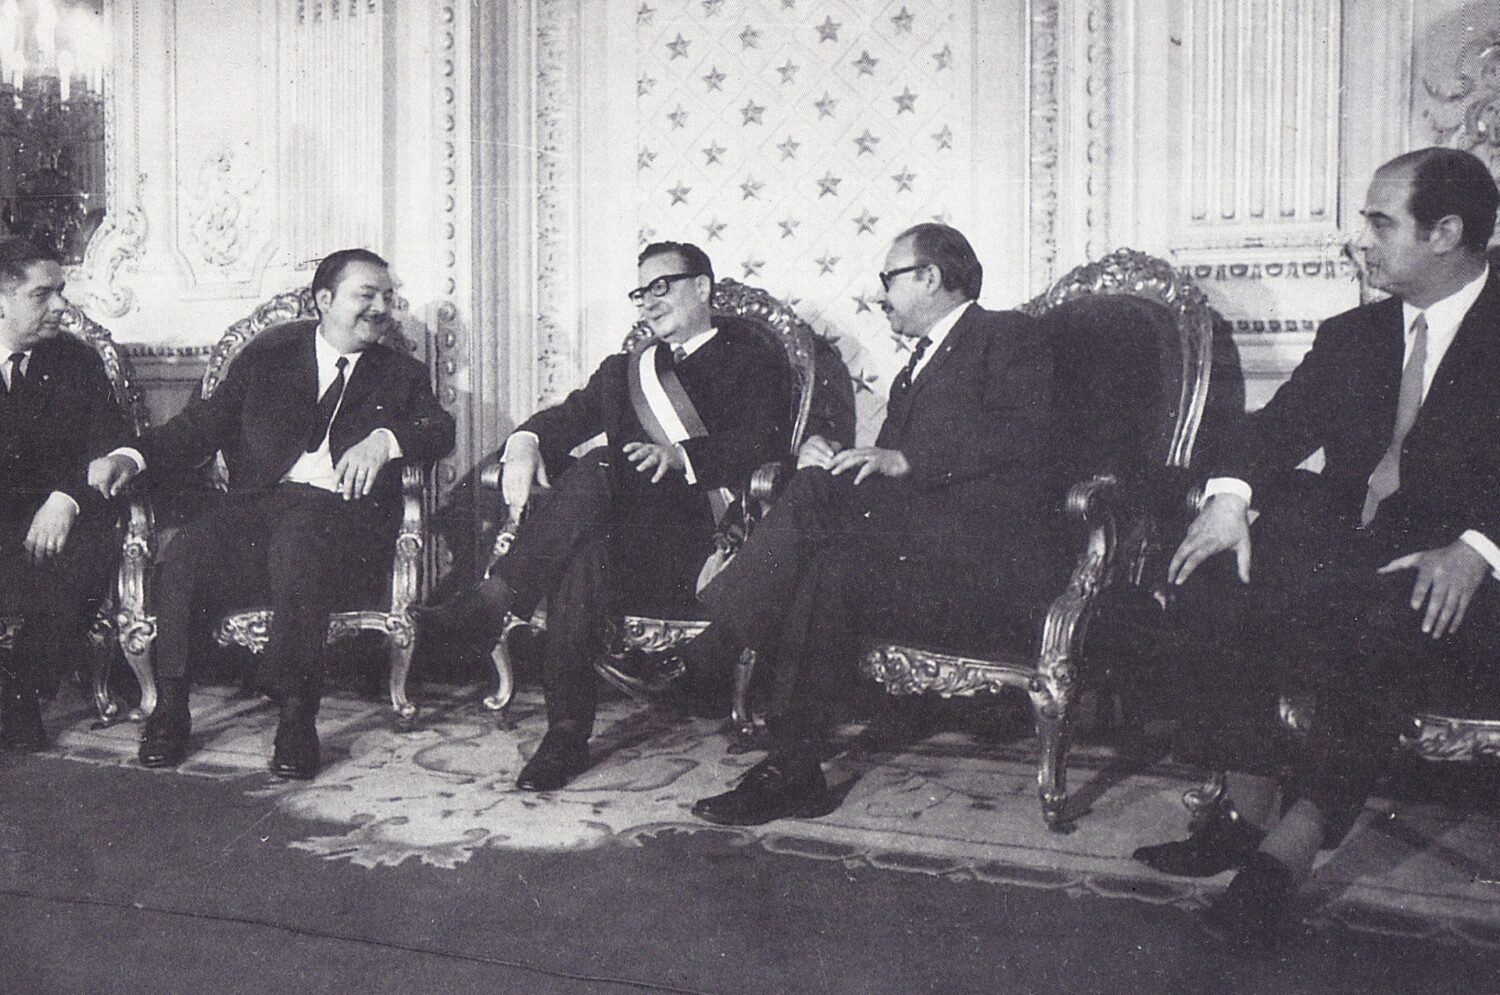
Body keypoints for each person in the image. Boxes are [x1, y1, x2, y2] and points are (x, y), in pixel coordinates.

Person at [1132, 147, 1500, 942]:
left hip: (1464, 566)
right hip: (1357, 549)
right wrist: (1230, 500)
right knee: (1210, 570)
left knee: (1380, 624)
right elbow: (1273, 430)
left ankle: (1287, 854)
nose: (1358, 239)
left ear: (1445, 232)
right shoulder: (1354, 334)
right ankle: (1243, 811)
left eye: (1379, 222)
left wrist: (1478, 547)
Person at [667, 222, 1061, 826]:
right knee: (825, 560)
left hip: (987, 550)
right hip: (916, 545)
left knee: (817, 499)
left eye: (888, 279)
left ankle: (715, 643)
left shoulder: (1006, 335)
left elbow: (1032, 435)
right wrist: (836, 455)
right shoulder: (913, 370)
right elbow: (885, 471)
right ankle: (793, 769)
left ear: (929, 277)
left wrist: (908, 460)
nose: (881, 296)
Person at [416, 241, 793, 791]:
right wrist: (524, 441)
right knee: (584, 540)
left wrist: (682, 457)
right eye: (641, 292)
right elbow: (566, 418)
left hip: (702, 538)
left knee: (597, 467)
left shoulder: (751, 358)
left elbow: (765, 444)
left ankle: (495, 599)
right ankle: (565, 734)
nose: (648, 302)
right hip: (624, 539)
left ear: (702, 287)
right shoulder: (626, 370)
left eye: (661, 287)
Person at [88, 249, 455, 779]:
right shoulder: (270, 358)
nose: (381, 308)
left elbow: (439, 431)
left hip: (340, 518)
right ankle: (170, 708)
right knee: (188, 549)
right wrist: (131, 456)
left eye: (387, 297)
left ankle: (297, 716)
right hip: (256, 509)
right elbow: (201, 424)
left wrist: (386, 439)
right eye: (366, 295)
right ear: (324, 299)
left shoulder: (401, 374)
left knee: (300, 536)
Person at [0, 237, 130, 750]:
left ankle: (21, 693)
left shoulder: (76, 361)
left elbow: (110, 447)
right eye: (42, 294)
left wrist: (66, 498)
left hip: (52, 522)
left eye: (61, 291)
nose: (60, 306)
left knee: (88, 550)